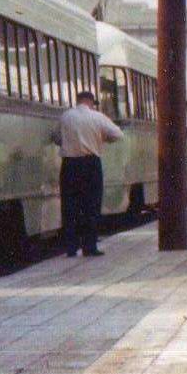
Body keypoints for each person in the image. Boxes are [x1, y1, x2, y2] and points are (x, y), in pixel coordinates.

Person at [54, 89, 123, 257]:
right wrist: (103, 139)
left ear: (78, 101)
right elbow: (118, 134)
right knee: (91, 206)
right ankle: (89, 247)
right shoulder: (97, 116)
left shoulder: (65, 117)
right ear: (91, 102)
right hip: (91, 164)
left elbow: (56, 137)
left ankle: (70, 248)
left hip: (69, 165)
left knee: (69, 206)